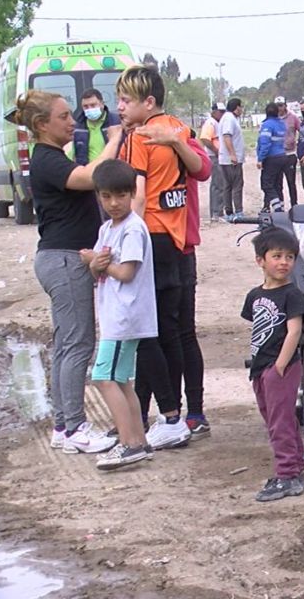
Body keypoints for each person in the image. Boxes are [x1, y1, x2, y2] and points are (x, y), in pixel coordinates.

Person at [16, 90, 122, 454]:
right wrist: (116, 137)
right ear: (42, 125)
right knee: (77, 344)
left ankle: (64, 425)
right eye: (63, 116)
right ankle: (75, 426)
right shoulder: (46, 159)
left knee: (67, 345)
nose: (72, 121)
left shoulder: (50, 155)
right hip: (63, 260)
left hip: (60, 258)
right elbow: (92, 177)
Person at [116, 64, 203, 450]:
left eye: (125, 100)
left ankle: (169, 415)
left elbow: (137, 191)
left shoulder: (141, 137)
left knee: (151, 332)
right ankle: (181, 414)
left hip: (152, 237)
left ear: (147, 102)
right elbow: (200, 168)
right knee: (178, 331)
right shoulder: (177, 130)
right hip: (178, 239)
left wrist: (123, 236)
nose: (119, 107)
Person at [134, 123, 213, 440]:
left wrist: (177, 141)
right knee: (154, 335)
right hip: (166, 246)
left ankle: (187, 413)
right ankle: (147, 413)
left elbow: (204, 168)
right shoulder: (139, 142)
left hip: (177, 247)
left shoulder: (180, 138)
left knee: (174, 333)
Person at [79, 159, 156, 471]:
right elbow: (100, 266)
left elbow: (124, 272)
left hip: (125, 317)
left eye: (121, 196)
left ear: (132, 193)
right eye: (107, 196)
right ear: (98, 195)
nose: (114, 203)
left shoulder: (133, 228)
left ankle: (126, 444)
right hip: (115, 315)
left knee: (104, 377)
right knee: (122, 380)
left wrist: (96, 262)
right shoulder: (107, 228)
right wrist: (96, 262)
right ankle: (138, 441)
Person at [241, 227, 304, 501]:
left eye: (290, 257)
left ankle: (286, 473)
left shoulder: (291, 294)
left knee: (280, 421)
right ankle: (295, 469)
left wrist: (280, 365)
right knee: (273, 418)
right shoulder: (255, 295)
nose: (284, 262)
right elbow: (256, 327)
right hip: (260, 367)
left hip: (281, 368)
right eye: (277, 256)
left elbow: (294, 331)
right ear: (260, 260)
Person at [69, 88, 122, 166]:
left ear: (102, 104)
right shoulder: (78, 128)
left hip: (112, 172)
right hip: (87, 174)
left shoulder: (116, 122)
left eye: (93, 105)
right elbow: (72, 154)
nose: (89, 109)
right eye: (85, 106)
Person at [198, 102, 226, 221]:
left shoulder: (219, 123)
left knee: (221, 184)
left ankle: (219, 210)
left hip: (219, 156)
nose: (222, 114)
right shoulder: (211, 123)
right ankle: (216, 213)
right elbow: (205, 138)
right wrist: (216, 151)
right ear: (214, 112)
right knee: (217, 184)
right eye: (220, 112)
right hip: (214, 157)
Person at [218, 97, 246, 219]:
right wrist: (233, 154)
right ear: (237, 107)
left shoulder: (229, 118)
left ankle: (229, 211)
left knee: (228, 185)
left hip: (227, 158)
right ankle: (237, 211)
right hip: (231, 160)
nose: (242, 109)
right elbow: (227, 136)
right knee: (236, 185)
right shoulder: (229, 119)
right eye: (241, 107)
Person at [257, 102, 287, 211]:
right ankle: (281, 207)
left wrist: (260, 159)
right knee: (278, 184)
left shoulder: (267, 125)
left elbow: (265, 143)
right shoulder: (281, 124)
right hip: (282, 156)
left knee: (267, 184)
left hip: (271, 158)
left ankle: (277, 209)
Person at [275, 97, 301, 207]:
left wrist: (298, 145)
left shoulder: (293, 118)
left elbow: (302, 131)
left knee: (291, 182)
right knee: (278, 182)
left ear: (285, 105)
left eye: (281, 105)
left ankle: (294, 205)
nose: (279, 108)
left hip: (290, 154)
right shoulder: (273, 119)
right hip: (277, 155)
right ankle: (280, 205)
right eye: (277, 106)